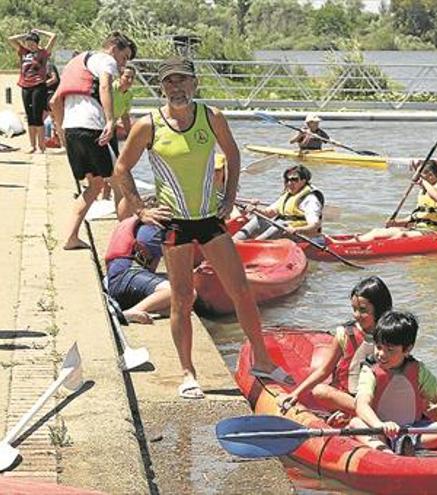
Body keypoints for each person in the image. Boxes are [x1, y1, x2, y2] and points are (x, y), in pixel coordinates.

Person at [112, 56, 292, 400]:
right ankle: (188, 373)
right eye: (169, 82)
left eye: (183, 81)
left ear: (195, 84)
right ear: (162, 87)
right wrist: (140, 210)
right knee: (182, 297)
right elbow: (121, 168)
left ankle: (263, 361)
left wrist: (229, 198)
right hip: (175, 223)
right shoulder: (149, 125)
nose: (176, 88)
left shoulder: (212, 117)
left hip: (210, 220)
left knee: (240, 290)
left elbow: (233, 155)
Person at [348, 311, 437, 456]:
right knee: (355, 423)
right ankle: (390, 456)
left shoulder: (417, 369)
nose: (381, 354)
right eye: (378, 347)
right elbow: (362, 404)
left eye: (390, 350)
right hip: (382, 433)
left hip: (415, 431)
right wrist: (380, 425)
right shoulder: (370, 370)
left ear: (407, 349)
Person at [50, 31, 135, 250]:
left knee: (94, 185)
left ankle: (71, 236)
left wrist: (61, 133)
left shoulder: (74, 63)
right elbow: (105, 86)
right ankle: (125, 244)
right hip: (93, 127)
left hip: (72, 130)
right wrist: (109, 120)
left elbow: (54, 101)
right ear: (114, 48)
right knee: (121, 183)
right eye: (124, 58)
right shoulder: (105, 60)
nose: (122, 65)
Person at [277, 276, 393, 417]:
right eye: (354, 309)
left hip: (376, 398)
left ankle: (359, 413)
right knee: (320, 391)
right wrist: (296, 393)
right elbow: (324, 371)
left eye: (363, 310)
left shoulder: (392, 335)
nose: (357, 315)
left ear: (379, 308)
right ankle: (359, 412)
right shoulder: (345, 334)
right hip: (347, 398)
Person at [344, 160, 437, 243]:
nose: (418, 181)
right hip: (418, 230)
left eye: (421, 177)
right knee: (377, 231)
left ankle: (374, 247)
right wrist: (396, 223)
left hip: (436, 232)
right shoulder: (424, 192)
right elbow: (416, 217)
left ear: (431, 175)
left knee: (402, 235)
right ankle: (343, 244)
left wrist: (423, 182)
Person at [104, 214, 176, 325]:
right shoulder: (154, 231)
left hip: (114, 279)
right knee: (180, 292)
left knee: (177, 301)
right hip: (126, 278)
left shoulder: (135, 222)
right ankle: (134, 311)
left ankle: (154, 307)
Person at [233, 164, 324, 240]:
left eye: (294, 180)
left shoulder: (310, 199)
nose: (289, 183)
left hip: (301, 236)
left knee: (281, 224)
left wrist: (296, 229)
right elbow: (268, 213)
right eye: (287, 180)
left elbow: (314, 225)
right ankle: (234, 242)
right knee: (258, 220)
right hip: (283, 230)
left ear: (304, 181)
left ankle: (254, 245)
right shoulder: (287, 195)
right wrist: (255, 210)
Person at [7, 28, 57, 154]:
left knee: (37, 116)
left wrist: (39, 31)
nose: (30, 45)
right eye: (28, 43)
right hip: (25, 86)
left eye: (32, 42)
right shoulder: (24, 52)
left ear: (37, 43)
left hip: (39, 86)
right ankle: (32, 145)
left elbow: (54, 36)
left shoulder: (43, 53)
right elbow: (10, 39)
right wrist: (26, 34)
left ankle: (41, 146)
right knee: (29, 116)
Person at [101, 65, 137, 201]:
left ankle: (106, 194)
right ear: (120, 76)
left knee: (114, 161)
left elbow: (125, 116)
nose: (129, 80)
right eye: (127, 76)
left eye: (132, 78)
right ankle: (103, 193)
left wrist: (131, 136)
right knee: (107, 161)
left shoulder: (129, 94)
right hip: (101, 127)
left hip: (113, 130)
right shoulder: (111, 89)